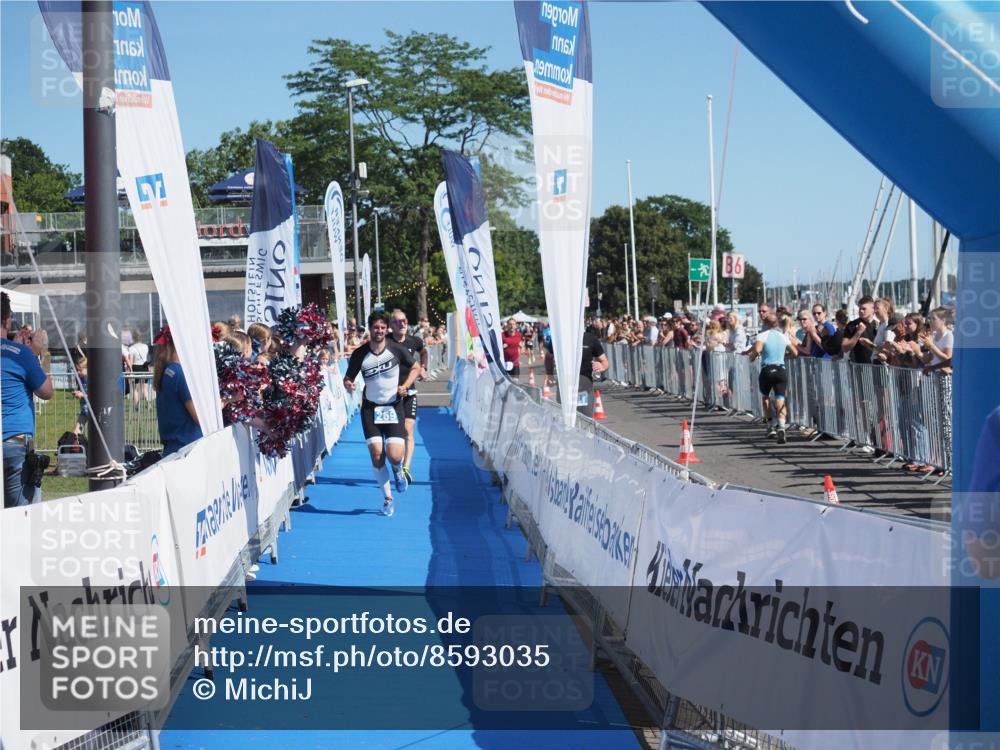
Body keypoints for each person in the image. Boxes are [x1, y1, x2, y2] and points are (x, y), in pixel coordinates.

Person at [344, 311, 420, 516]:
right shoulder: (360, 353)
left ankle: (398, 471)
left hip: (393, 407)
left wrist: (405, 385)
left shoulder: (396, 349)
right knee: (377, 454)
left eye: (382, 328)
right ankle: (388, 498)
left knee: (395, 455)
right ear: (369, 329)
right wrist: (349, 384)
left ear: (387, 329)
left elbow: (416, 367)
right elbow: (348, 377)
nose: (379, 331)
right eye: (375, 327)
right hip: (370, 408)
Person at [2, 292, 53, 507]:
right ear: (7, 319)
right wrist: (36, 356)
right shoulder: (20, 353)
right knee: (23, 517)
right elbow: (46, 391)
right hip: (14, 441)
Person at [747, 313, 800, 444]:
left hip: (767, 369)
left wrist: (752, 357)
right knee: (780, 398)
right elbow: (795, 353)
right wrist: (784, 357)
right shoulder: (783, 336)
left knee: (765, 396)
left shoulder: (762, 335)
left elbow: (758, 349)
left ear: (765, 323)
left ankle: (770, 425)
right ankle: (781, 425)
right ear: (776, 323)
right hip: (780, 369)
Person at [389, 309, 427, 483]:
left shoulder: (414, 341)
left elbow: (423, 351)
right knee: (391, 433)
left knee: (407, 429)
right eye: (398, 322)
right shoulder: (386, 342)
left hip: (409, 391)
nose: (402, 324)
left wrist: (424, 367)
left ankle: (406, 467)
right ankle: (396, 461)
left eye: (404, 321)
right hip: (389, 396)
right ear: (391, 325)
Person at [153, 326, 202, 457]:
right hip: (187, 447)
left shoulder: (167, 370)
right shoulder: (180, 373)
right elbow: (200, 417)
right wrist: (229, 400)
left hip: (174, 446)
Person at [544, 322, 609, 418]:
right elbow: (548, 357)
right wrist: (550, 375)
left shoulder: (590, 339)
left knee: (585, 420)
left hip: (585, 388)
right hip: (565, 389)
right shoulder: (559, 338)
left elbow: (605, 361)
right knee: (565, 421)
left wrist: (602, 366)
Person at [842, 296, 879, 364]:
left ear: (872, 309)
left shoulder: (878, 325)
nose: (861, 311)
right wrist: (858, 332)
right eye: (860, 308)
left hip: (876, 367)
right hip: (858, 367)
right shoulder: (852, 325)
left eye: (864, 309)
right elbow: (845, 348)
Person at [127, 329, 151, 403]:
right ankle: (149, 403)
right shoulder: (146, 346)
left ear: (133, 338)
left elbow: (131, 361)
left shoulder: (131, 348)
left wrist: (129, 370)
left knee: (135, 389)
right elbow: (145, 357)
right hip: (144, 367)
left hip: (136, 367)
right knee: (145, 388)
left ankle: (137, 405)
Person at [72, 357, 89, 437]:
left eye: (80, 370)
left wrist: (82, 395)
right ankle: (75, 447)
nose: (78, 372)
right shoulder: (81, 380)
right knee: (76, 432)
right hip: (84, 411)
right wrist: (77, 392)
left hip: (94, 412)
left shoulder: (94, 380)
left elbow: (96, 396)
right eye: (77, 370)